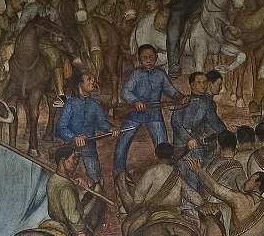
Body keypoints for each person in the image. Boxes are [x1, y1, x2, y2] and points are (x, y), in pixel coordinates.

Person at [114, 45, 182, 175]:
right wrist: (135, 101)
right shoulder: (136, 74)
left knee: (163, 145)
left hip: (154, 115)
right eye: (144, 58)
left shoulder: (161, 74)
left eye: (151, 57)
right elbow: (125, 92)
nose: (148, 60)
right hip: (134, 115)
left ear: (156, 57)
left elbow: (171, 90)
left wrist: (179, 96)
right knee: (122, 143)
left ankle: (165, 173)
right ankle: (119, 173)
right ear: (139, 59)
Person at [56, 70, 117, 185]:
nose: (93, 82)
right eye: (89, 79)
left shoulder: (95, 105)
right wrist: (74, 137)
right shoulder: (70, 104)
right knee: (66, 180)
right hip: (70, 148)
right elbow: (60, 128)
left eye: (93, 79)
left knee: (96, 180)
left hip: (89, 148)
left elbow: (102, 123)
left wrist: (111, 129)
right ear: (81, 84)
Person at [14, 0, 68, 106]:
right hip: (30, 41)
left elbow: (60, 29)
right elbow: (20, 26)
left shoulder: (53, 12)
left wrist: (58, 37)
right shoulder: (30, 9)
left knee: (55, 56)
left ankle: (61, 94)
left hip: (46, 42)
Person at [133, 142, 204, 211]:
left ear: (155, 156)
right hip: (174, 214)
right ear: (172, 156)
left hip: (152, 214)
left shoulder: (151, 172)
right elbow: (198, 201)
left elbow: (137, 199)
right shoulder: (177, 175)